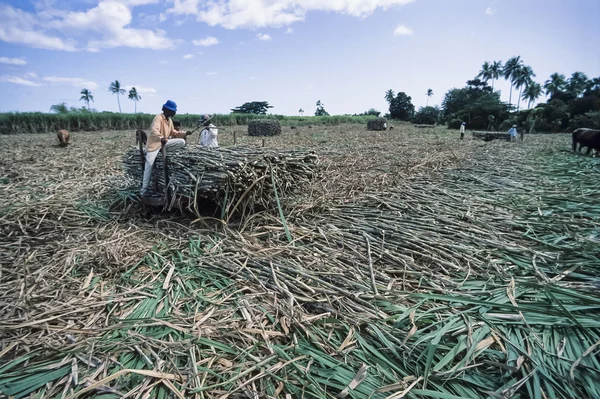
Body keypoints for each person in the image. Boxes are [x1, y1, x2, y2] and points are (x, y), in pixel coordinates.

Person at [141, 100, 186, 197]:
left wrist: (184, 133)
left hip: (164, 145)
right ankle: (144, 190)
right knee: (149, 164)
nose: (175, 112)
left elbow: (173, 132)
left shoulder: (169, 121)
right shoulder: (158, 118)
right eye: (173, 111)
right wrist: (161, 137)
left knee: (182, 142)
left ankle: (164, 151)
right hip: (154, 145)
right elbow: (153, 130)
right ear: (167, 110)